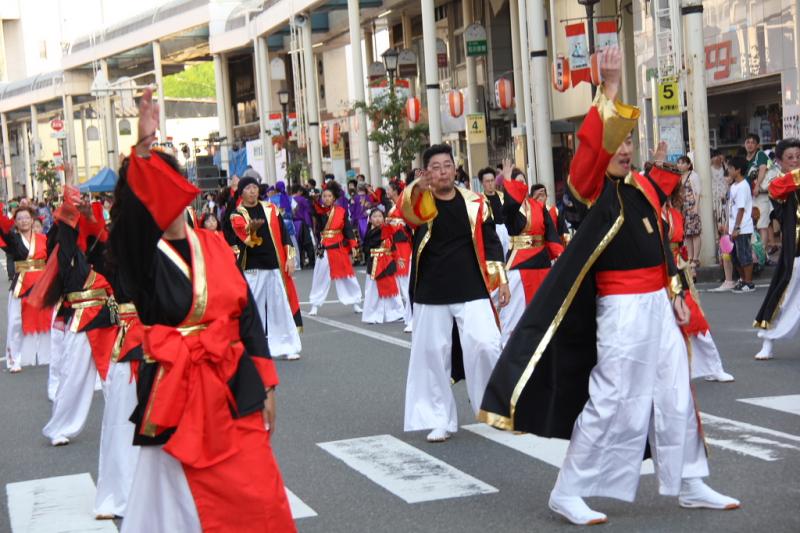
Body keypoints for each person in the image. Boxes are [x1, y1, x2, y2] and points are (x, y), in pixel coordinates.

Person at [480, 47, 738, 526]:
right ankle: (569, 489)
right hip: (619, 308)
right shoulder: (593, 188)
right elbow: (588, 154)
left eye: (626, 143)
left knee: (677, 391)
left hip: (658, 305)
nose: (621, 149)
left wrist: (677, 294)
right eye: (613, 142)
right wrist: (611, 87)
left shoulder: (640, 188)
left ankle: (691, 480)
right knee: (611, 398)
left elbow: (660, 245)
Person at [108, 88, 295, 532]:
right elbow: (130, 223)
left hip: (233, 378)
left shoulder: (212, 244)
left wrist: (267, 384)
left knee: (260, 491)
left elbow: (246, 315)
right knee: (175, 506)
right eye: (151, 184)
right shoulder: (141, 255)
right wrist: (141, 149)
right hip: (175, 389)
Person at [399, 143, 509, 443]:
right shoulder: (420, 201)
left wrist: (501, 278)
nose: (443, 171)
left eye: (447, 165)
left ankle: (493, 409)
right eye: (435, 167)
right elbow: (406, 213)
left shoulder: (474, 202)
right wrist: (416, 188)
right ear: (426, 172)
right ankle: (439, 419)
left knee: (486, 344)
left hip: (471, 285)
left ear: (455, 168)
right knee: (433, 356)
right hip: (431, 289)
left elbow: (491, 242)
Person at [230, 175, 303, 361]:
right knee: (253, 308)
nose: (252, 191)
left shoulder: (271, 209)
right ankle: (253, 348)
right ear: (242, 192)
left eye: (254, 187)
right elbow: (245, 239)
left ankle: (286, 346)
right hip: (252, 268)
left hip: (274, 264)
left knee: (280, 306)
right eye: (248, 188)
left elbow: (285, 235)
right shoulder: (238, 214)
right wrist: (251, 231)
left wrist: (291, 258)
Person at [665, 191, 734, 382]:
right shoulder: (649, 215)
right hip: (656, 273)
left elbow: (679, 244)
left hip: (677, 269)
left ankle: (713, 366)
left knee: (695, 318)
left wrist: (688, 264)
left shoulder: (675, 214)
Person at [496, 162, 564, 346]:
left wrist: (558, 253)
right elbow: (510, 209)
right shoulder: (509, 208)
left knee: (544, 311)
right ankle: (507, 353)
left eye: (522, 181)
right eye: (516, 182)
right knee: (514, 315)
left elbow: (550, 232)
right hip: (519, 264)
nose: (521, 185)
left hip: (541, 263)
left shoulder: (538, 206)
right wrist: (508, 181)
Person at [754, 137, 800, 359]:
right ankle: (767, 342)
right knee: (783, 297)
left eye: (799, 157)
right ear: (780, 162)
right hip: (795, 252)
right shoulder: (779, 182)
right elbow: (776, 190)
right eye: (790, 158)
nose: (795, 161)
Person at [0, 205, 52, 372]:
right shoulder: (13, 239)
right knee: (16, 321)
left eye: (26, 217)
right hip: (21, 283)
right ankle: (13, 358)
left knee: (46, 319)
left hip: (41, 283)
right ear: (15, 222)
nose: (23, 221)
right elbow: (4, 232)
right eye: (20, 218)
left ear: (32, 220)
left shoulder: (43, 238)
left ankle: (46, 354)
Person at [308, 182, 363, 315]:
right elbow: (315, 220)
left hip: (338, 248)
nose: (326, 198)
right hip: (324, 248)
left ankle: (355, 302)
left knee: (347, 275)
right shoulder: (319, 211)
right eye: (324, 196)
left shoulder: (341, 212)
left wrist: (353, 245)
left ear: (334, 198)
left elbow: (348, 230)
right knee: (320, 276)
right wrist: (314, 202)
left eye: (329, 196)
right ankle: (315, 304)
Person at [361, 207, 405, 324]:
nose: (378, 219)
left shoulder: (387, 230)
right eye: (375, 216)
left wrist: (398, 258)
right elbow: (366, 248)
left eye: (380, 216)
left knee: (392, 288)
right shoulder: (370, 232)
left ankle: (396, 313)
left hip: (387, 261)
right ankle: (372, 314)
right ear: (370, 219)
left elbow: (393, 245)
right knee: (372, 290)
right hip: (375, 262)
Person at [386, 179, 414, 332]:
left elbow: (409, 223)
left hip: (403, 245)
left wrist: (397, 223)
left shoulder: (404, 204)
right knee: (400, 280)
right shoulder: (394, 206)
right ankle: (406, 313)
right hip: (395, 245)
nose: (387, 191)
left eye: (389, 189)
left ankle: (411, 317)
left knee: (405, 281)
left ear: (395, 190)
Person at [727, 156, 756, 293]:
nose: (728, 170)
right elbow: (730, 207)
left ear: (738, 170)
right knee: (735, 256)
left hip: (742, 227)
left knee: (744, 255)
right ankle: (743, 280)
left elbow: (741, 209)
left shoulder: (743, 186)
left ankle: (749, 282)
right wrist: (728, 226)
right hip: (734, 227)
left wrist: (736, 228)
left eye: (731, 168)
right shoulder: (733, 186)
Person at [745, 133, 772, 254]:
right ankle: (756, 254)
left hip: (761, 195)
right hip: (749, 197)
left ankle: (762, 255)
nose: (750, 145)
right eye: (748, 142)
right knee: (752, 227)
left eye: (753, 142)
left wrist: (756, 186)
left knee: (762, 225)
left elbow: (762, 169)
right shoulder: (744, 159)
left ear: (757, 145)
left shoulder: (760, 155)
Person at [678, 155, 702, 273]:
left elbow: (697, 193)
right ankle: (690, 257)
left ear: (688, 165)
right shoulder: (679, 177)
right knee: (687, 234)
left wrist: (696, 208)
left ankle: (696, 258)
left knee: (695, 233)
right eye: (679, 163)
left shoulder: (693, 175)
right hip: (683, 209)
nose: (680, 165)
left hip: (692, 206)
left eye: (683, 163)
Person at [480, 167, 509, 257]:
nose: (490, 183)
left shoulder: (503, 196)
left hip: (506, 230)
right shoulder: (480, 200)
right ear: (482, 183)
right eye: (487, 181)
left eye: (492, 180)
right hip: (491, 232)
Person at [291, 184, 316, 268]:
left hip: (292, 224)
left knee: (295, 244)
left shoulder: (288, 199)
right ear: (299, 191)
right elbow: (307, 212)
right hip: (302, 223)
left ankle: (300, 262)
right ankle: (311, 262)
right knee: (307, 243)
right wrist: (310, 224)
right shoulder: (302, 199)